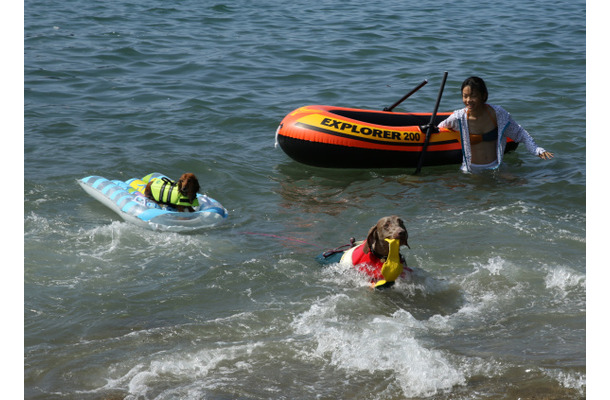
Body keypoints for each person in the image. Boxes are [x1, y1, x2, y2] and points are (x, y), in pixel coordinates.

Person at [437, 76, 553, 173]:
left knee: (520, 187)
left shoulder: (497, 114)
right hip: (472, 171)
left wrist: (537, 150)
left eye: (473, 96)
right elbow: (440, 128)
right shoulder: (459, 117)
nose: (468, 100)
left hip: (496, 167)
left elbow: (520, 133)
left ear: (483, 95)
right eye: (465, 96)